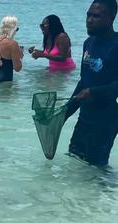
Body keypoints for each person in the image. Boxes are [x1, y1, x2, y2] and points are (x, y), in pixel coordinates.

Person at [65, 0, 118, 166]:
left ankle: (107, 192)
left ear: (110, 18)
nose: (90, 19)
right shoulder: (89, 43)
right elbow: (84, 81)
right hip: (85, 116)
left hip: (106, 119)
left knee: (96, 170)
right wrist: (65, 112)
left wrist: (93, 92)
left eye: (96, 16)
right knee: (75, 159)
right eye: (88, 15)